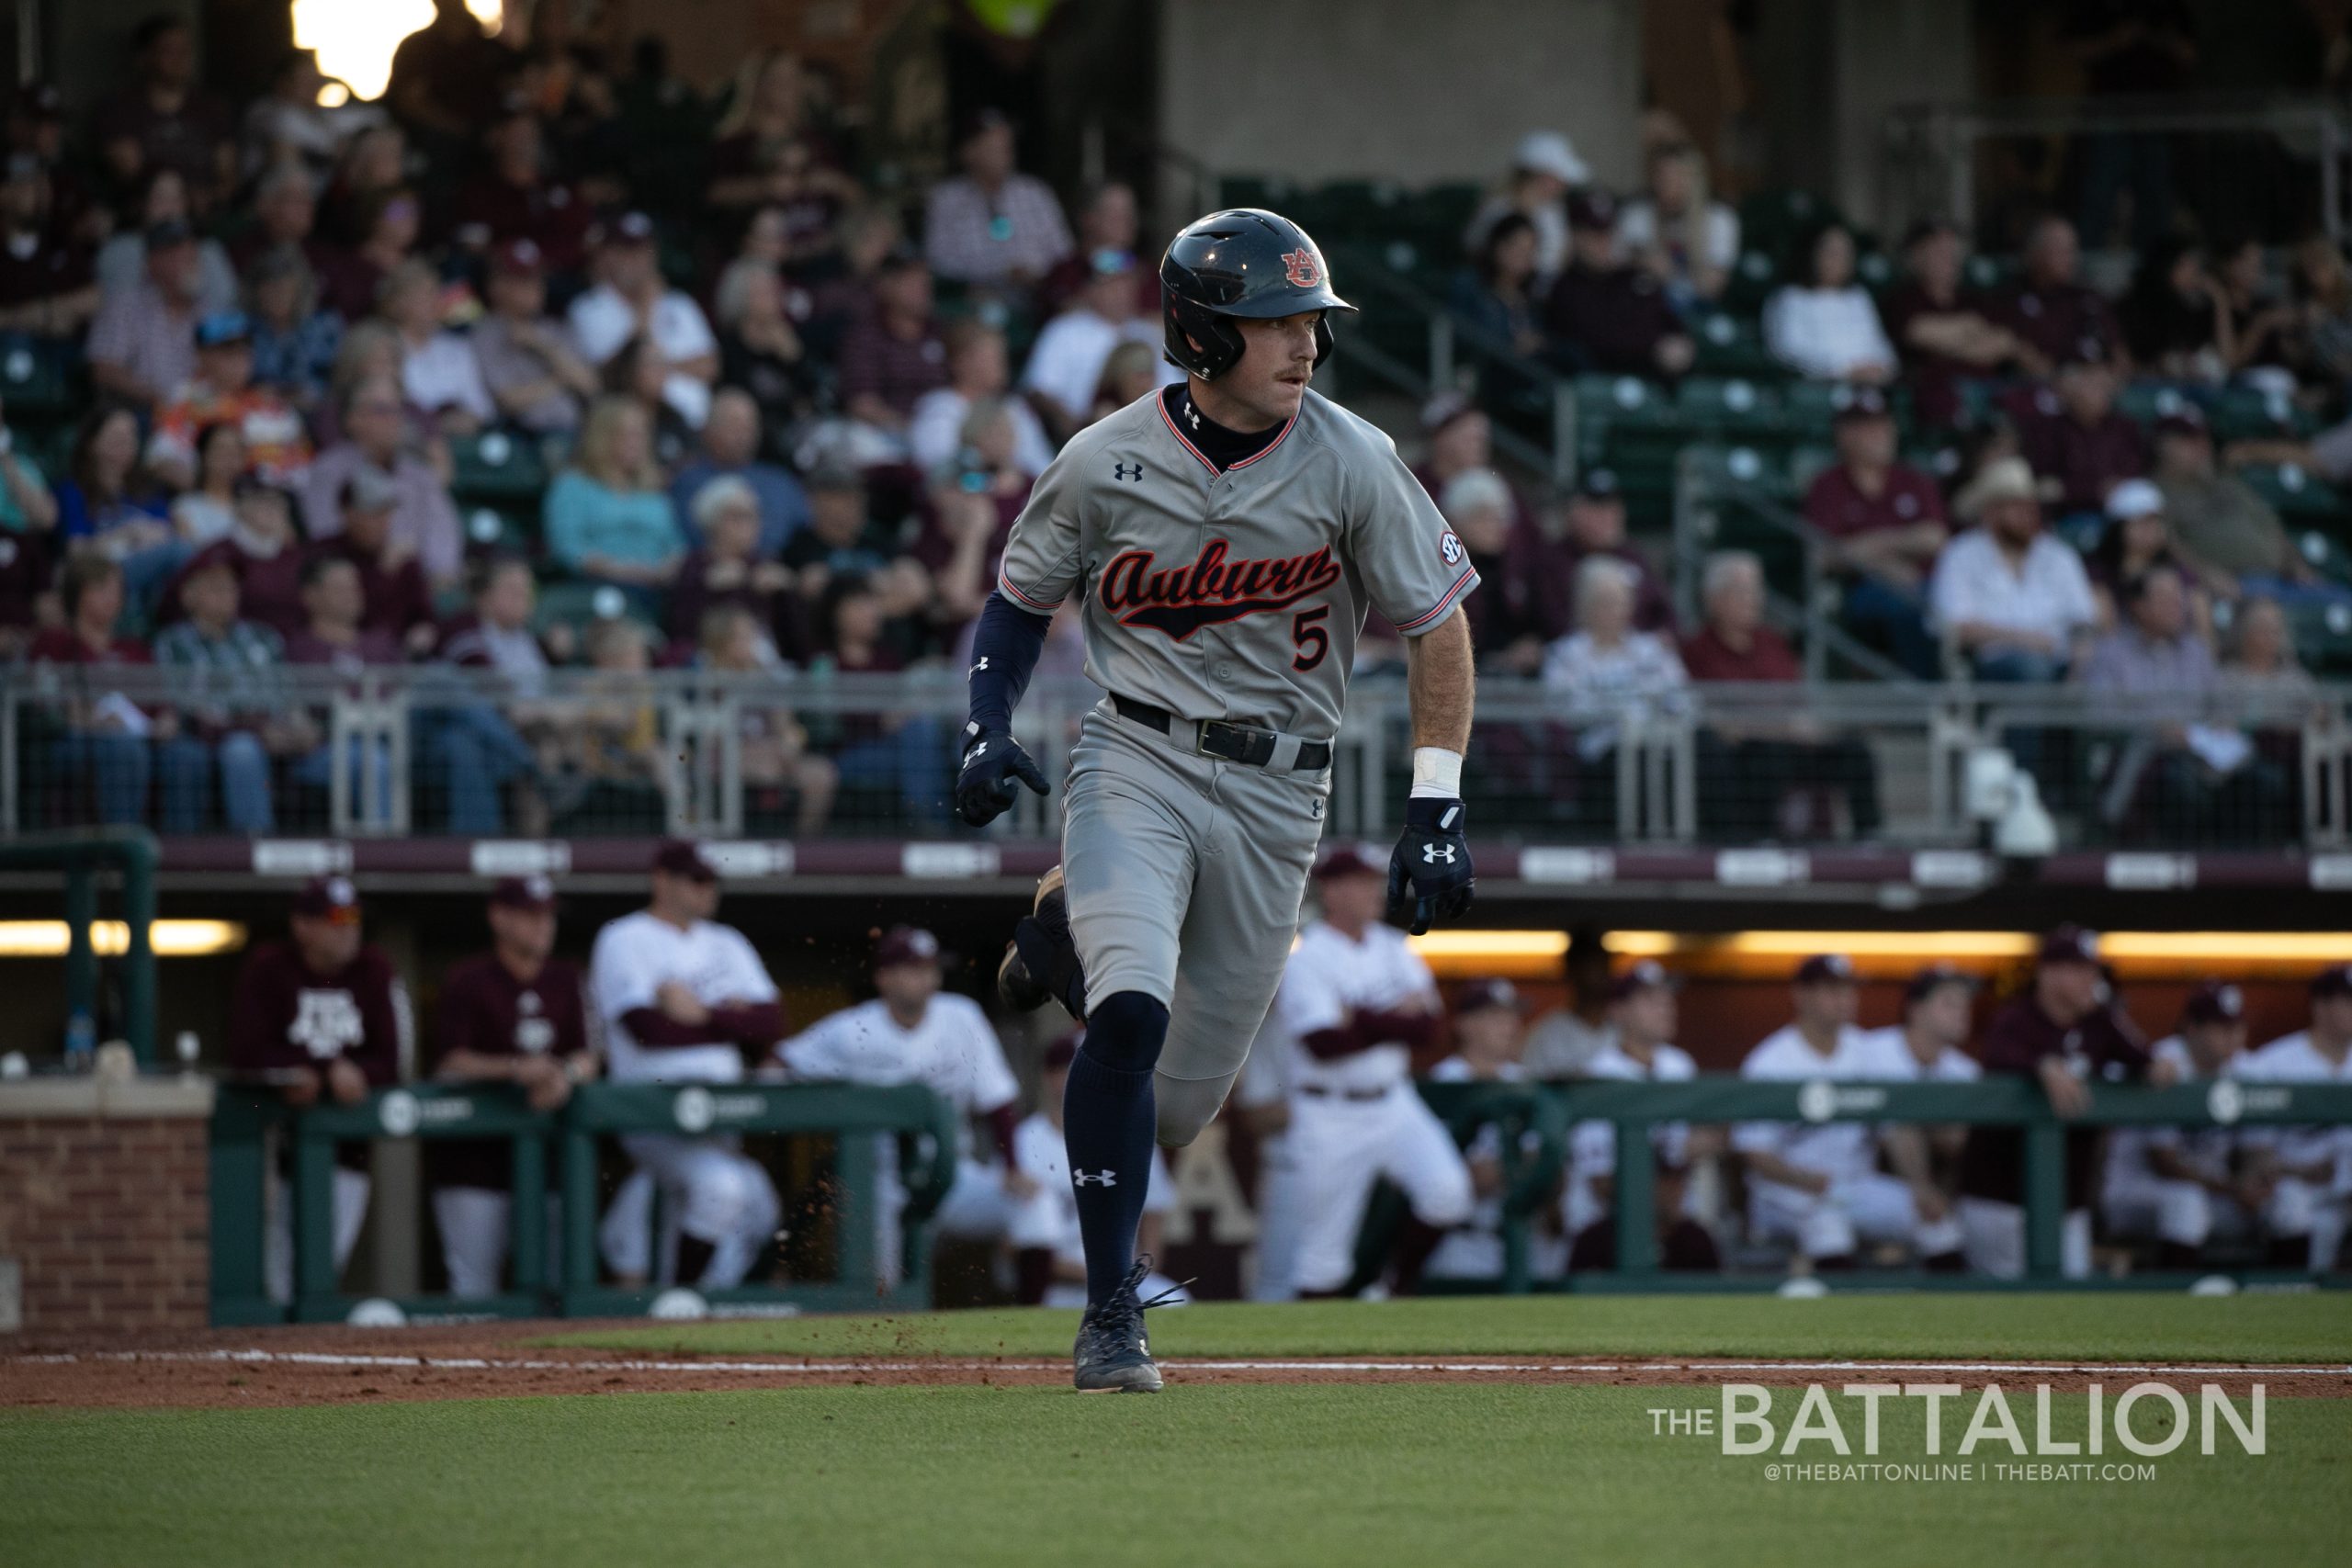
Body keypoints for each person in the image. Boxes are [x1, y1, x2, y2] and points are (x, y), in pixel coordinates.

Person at [965, 209, 1479, 1391]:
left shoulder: (1352, 456)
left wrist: (1434, 801)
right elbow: (1017, 600)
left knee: (1177, 1113)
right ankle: (1109, 1316)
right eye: (1274, 324)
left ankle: (1058, 934)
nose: (1303, 345)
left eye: (1311, 322)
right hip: (1135, 755)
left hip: (1279, 793)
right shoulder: (1102, 456)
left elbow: (1436, 625)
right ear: (1200, 335)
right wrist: (985, 727)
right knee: (1128, 1018)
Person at [1268, 848, 1475, 1300]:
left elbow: (1431, 1030)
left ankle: (1392, 1289)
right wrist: (1391, 1017)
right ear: (1333, 890)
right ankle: (1308, 1359)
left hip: (1394, 1101)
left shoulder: (1393, 948)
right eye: (1361, 881)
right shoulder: (1309, 957)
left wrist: (1358, 1016)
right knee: (1323, 1259)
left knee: (1448, 1192)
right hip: (1329, 1111)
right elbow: (1324, 1044)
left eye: (1375, 880)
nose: (1374, 891)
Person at [774, 926, 1031, 1285]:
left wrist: (1013, 1166)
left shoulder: (961, 1016)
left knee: (1036, 1208)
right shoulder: (854, 1029)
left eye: (930, 968)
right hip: (882, 1180)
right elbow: (781, 1063)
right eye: (912, 969)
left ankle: (1033, 1315)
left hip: (952, 1174)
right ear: (884, 978)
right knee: (881, 1283)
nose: (925, 978)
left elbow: (996, 1098)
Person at [588, 841, 786, 1291]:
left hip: (723, 1116)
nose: (707, 891)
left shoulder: (727, 941)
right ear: (661, 880)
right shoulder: (623, 937)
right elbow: (646, 1029)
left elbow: (772, 1021)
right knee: (721, 1189)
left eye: (711, 881)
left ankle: (709, 1310)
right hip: (654, 1111)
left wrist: (704, 1014)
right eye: (696, 880)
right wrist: (733, 1021)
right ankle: (679, 1300)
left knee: (755, 1200)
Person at [225, 876, 406, 1303]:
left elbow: (391, 1062)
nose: (348, 929)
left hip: (347, 1150)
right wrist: (310, 1071)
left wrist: (349, 1073)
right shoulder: (269, 966)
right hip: (269, 1148)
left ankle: (302, 1360)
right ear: (302, 926)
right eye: (334, 920)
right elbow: (244, 1056)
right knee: (275, 1274)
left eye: (353, 919)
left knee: (323, 1269)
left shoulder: (374, 968)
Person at [1733, 954, 1967, 1270]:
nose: (1844, 999)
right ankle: (1836, 1319)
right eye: (1832, 990)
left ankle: (1946, 1315)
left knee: (1937, 1222)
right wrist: (1802, 1179)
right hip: (1787, 1190)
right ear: (1801, 996)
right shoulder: (1769, 1061)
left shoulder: (1866, 1052)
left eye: (1848, 990)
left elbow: (1897, 1130)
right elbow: (1754, 1152)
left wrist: (1921, 1187)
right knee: (1828, 1227)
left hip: (1855, 1184)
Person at [1957, 927, 2164, 1279]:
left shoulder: (2101, 1022)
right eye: (2080, 970)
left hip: (2068, 1202)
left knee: (2073, 1305)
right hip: (2001, 1200)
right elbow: (1997, 1055)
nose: (2090, 980)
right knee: (2008, 1311)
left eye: (2093, 970)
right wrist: (2042, 1065)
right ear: (2048, 973)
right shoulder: (2014, 1019)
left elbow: (2146, 1062)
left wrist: (2116, 1016)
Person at [426, 876, 597, 1299]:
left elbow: (589, 1057)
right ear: (498, 917)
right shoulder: (469, 978)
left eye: (547, 916)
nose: (543, 925)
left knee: (556, 1285)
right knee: (474, 1287)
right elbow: (448, 1060)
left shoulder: (566, 978)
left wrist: (564, 1077)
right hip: (474, 1161)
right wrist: (516, 1069)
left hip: (549, 1159)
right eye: (530, 915)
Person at [1681, 550, 1882, 840]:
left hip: (1791, 742)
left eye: (1757, 590)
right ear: (1713, 599)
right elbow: (1712, 719)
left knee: (1854, 751)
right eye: (1742, 590)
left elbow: (1798, 703)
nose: (1754, 599)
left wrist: (1804, 727)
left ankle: (1869, 840)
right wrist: (1770, 726)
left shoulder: (1773, 642)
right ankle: (1760, 841)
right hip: (1743, 753)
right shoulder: (1695, 650)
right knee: (1766, 754)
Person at [2080, 564, 2284, 840]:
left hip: (2205, 754)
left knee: (2264, 780)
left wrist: (2224, 723)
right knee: (2179, 783)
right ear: (2139, 606)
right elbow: (2099, 716)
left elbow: (2222, 703)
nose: (2178, 606)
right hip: (2146, 756)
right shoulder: (2111, 654)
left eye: (2180, 598)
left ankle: (2246, 872)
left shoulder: (2196, 652)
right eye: (2166, 599)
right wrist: (2156, 728)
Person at [1006, 1032, 1189, 1308]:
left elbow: (1155, 1216)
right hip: (1056, 1286)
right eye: (1069, 1069)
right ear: (1049, 1075)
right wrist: (1092, 1275)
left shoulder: (1130, 1135)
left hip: (1123, 1281)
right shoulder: (1024, 1139)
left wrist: (1134, 1274)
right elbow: (1010, 1244)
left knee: (1176, 1301)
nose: (1081, 1078)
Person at [1563, 960, 1720, 1272]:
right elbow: (1602, 1182)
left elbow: (1714, 1136)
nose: (1666, 1008)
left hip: (1675, 1223)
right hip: (1608, 1222)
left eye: (1667, 999)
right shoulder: (1598, 1074)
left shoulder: (1680, 1066)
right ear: (1617, 1011)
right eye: (1650, 1000)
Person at [2100, 981, 2258, 1269]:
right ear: (2193, 1028)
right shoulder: (2163, 1062)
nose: (2233, 1037)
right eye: (2221, 1027)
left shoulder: (2247, 1068)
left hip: (2216, 1190)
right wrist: (2233, 1188)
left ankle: (2290, 1297)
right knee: (2187, 1203)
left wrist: (2257, 1181)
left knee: (2288, 1205)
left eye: (2238, 1027)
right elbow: (2163, 1162)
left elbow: (2257, 1148)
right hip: (2140, 1191)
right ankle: (2178, 1298)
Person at [1422, 978, 1566, 1283]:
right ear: (1465, 1024)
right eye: (1496, 1016)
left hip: (1530, 1242)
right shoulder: (1442, 1083)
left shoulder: (1526, 1083)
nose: (1510, 1026)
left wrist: (1505, 1170)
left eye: (1513, 1015)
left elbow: (1555, 1171)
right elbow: (1462, 1179)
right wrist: (1523, 1167)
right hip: (1460, 1243)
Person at [152, 553, 301, 834]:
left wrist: (293, 726)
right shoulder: (173, 642)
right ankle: (240, 852)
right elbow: (176, 704)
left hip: (271, 736)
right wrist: (248, 727)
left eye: (231, 587)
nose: (227, 595)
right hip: (204, 736)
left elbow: (286, 697)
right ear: (188, 596)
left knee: (248, 747)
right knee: (234, 749)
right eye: (215, 587)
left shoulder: (263, 637)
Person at [1803, 388, 1948, 677]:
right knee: (1909, 607)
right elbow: (1822, 556)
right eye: (1867, 427)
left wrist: (1870, 545)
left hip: (1925, 584)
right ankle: (1926, 701)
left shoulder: (1912, 479)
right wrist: (1889, 563)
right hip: (1861, 592)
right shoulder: (1828, 485)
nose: (1880, 434)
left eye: (1883, 424)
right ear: (1844, 434)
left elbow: (1935, 537)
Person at [1928, 456, 2098, 682]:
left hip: (2061, 661)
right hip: (1994, 665)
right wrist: (2024, 640)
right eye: (2017, 506)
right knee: (2030, 668)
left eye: (2031, 505)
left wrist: (2080, 658)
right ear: (1990, 512)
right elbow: (1955, 627)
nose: (2028, 514)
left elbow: (2082, 618)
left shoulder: (2058, 555)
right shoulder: (1961, 554)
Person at [25, 553, 160, 825]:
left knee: (184, 755)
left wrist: (164, 723)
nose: (113, 597)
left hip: (139, 738)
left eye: (117, 589)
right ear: (76, 594)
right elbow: (42, 704)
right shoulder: (53, 641)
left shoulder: (135, 648)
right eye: (101, 588)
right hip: (72, 741)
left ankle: (179, 857)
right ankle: (122, 847)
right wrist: (86, 719)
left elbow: (162, 707)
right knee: (124, 750)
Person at [1542, 557, 1690, 802]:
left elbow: (1680, 695)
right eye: (1604, 602)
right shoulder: (1565, 655)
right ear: (1585, 606)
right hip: (1601, 751)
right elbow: (1563, 707)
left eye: (1620, 601)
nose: (1613, 610)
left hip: (1660, 744)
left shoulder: (1652, 649)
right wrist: (1618, 714)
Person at [2239, 967, 2352, 1273]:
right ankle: (2287, 1296)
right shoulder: (2273, 1063)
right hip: (2291, 1186)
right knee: (2292, 1206)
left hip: (2344, 1192)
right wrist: (2298, 1170)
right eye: (2348, 1000)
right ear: (2320, 1006)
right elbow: (2252, 1155)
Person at [303, 374, 464, 587]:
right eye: (382, 411)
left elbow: (444, 546)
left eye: (398, 411)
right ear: (353, 419)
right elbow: (324, 541)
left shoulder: (420, 476)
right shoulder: (328, 471)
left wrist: (425, 573)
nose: (395, 420)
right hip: (354, 588)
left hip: (417, 589)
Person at [1879, 219, 2041, 429]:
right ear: (1916, 256)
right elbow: (1917, 333)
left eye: (1952, 252)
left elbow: (2004, 342)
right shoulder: (1902, 299)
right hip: (1936, 402)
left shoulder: (1975, 298)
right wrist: (1970, 327)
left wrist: (1945, 346)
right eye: (1938, 251)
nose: (1949, 259)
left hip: (1989, 394)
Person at [567, 212, 717, 430]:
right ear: (608, 255)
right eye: (628, 251)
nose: (637, 260)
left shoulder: (678, 303)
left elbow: (709, 366)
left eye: (644, 250)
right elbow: (611, 376)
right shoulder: (589, 308)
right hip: (631, 428)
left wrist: (655, 367)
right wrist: (645, 314)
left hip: (694, 423)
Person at [147, 312, 312, 490]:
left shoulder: (271, 404)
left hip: (265, 499)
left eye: (245, 349)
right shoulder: (183, 398)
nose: (239, 359)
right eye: (228, 350)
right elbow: (161, 460)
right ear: (203, 356)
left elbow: (302, 466)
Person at [921, 108, 1073, 298]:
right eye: (993, 146)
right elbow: (938, 262)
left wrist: (1035, 274)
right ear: (968, 152)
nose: (1005, 152)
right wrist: (999, 273)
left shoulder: (1036, 193)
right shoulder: (946, 199)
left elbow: (1064, 255)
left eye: (1007, 145)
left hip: (1037, 296)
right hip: (975, 300)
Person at [544, 395, 684, 601]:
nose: (637, 443)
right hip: (597, 590)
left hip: (658, 591)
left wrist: (669, 568)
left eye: (641, 435)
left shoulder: (653, 491)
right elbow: (567, 546)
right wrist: (618, 570)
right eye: (628, 435)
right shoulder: (572, 485)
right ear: (602, 437)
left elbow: (676, 545)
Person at [1545, 192, 1693, 378]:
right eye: (1594, 235)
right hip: (1602, 383)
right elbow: (1597, 341)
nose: (1603, 243)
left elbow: (1671, 325)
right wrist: (1653, 346)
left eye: (1608, 233)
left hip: (1654, 382)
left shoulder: (1634, 277)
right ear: (1576, 237)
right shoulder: (1565, 288)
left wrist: (1678, 346)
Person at [94, 16, 234, 210]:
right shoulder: (119, 109)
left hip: (207, 216)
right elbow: (129, 173)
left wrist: (211, 196)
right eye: (169, 51)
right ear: (144, 57)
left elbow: (227, 173)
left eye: (185, 51)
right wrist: (180, 198)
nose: (180, 59)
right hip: (146, 219)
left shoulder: (212, 107)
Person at [1021, 249, 1165, 439]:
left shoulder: (1150, 332)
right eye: (1112, 285)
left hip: (1152, 433)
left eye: (1126, 283)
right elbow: (1039, 390)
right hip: (1089, 434)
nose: (1121, 292)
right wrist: (1073, 429)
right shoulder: (1065, 329)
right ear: (1089, 290)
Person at [52, 403, 178, 610]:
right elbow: (77, 552)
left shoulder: (149, 490)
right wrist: (128, 535)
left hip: (149, 570)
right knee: (179, 553)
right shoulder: (72, 490)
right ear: (92, 441)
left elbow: (164, 534)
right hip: (100, 572)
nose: (125, 441)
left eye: (131, 434)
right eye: (116, 434)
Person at [469, 238, 596, 436]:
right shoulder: (486, 334)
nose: (535, 286)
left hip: (578, 433)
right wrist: (559, 380)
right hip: (527, 440)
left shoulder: (555, 326)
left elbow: (590, 386)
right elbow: (509, 402)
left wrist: (543, 346)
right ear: (496, 285)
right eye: (523, 278)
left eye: (537, 277)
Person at [667, 389, 810, 559]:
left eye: (749, 426)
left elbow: (806, 532)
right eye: (733, 424)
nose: (743, 434)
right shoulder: (688, 480)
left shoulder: (781, 481)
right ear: (708, 429)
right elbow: (687, 539)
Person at [2013, 341, 2144, 521]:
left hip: (2124, 518)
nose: (2101, 390)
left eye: (2104, 382)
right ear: (2068, 387)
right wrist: (2094, 489)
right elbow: (2044, 488)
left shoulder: (2124, 427)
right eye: (2091, 382)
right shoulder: (2047, 429)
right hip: (2067, 518)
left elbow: (2137, 475)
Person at [311, 466, 436, 652]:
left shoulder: (403, 558)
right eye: (373, 513)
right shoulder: (324, 553)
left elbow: (425, 616)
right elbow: (353, 618)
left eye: (386, 512)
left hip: (397, 659)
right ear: (348, 513)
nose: (382, 521)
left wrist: (424, 632)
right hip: (336, 654)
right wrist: (383, 573)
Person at [910, 319, 1057, 478]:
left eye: (1002, 356)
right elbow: (937, 470)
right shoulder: (939, 407)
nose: (1002, 364)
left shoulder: (1014, 407)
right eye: (992, 357)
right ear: (961, 362)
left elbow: (1044, 469)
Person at [836, 248, 949, 453]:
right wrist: (911, 430)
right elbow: (862, 404)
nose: (922, 287)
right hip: (887, 436)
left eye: (924, 280)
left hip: (942, 432)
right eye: (911, 280)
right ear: (885, 285)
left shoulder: (939, 331)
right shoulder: (866, 335)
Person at [86, 220, 204, 414]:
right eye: (176, 254)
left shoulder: (208, 310)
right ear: (152, 262)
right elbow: (104, 370)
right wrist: (161, 399)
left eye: (191, 252)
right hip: (139, 413)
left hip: (198, 414)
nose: (188, 260)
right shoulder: (125, 305)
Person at [1763, 220, 1896, 384]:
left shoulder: (1859, 297)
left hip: (1869, 389)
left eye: (1846, 253)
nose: (1840, 260)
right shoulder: (1789, 298)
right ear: (1812, 254)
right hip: (1816, 393)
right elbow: (1789, 351)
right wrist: (1845, 370)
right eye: (1832, 252)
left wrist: (1881, 368)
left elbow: (1882, 348)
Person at [1614, 141, 1738, 312]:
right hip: (1641, 306)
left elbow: (1711, 287)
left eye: (1679, 175)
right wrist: (1641, 261)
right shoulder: (1636, 213)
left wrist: (1670, 276)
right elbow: (1611, 262)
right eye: (1662, 174)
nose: (1668, 182)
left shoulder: (1719, 218)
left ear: (1696, 179)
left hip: (1695, 310)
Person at [94, 167, 237, 315]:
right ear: (144, 204)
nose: (169, 208)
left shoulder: (209, 251)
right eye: (160, 198)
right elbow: (113, 305)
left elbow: (226, 308)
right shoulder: (121, 249)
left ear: (186, 206)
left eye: (176, 199)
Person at [1991, 215, 2122, 368]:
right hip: (2044, 387)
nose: (2069, 257)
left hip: (2103, 386)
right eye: (2059, 248)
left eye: (2072, 249)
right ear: (2033, 252)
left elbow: (2120, 358)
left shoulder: (2088, 299)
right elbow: (2017, 355)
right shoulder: (2010, 301)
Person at [1465, 130, 1587, 285]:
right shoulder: (1496, 209)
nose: (1563, 185)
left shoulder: (1553, 211)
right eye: (1557, 178)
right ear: (1538, 175)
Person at [0, 153, 97, 339]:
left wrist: (50, 311)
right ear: (4, 193)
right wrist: (30, 317)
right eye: (29, 185)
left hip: (62, 348)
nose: (41, 193)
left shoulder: (59, 237)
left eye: (44, 184)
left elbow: (93, 297)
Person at [243, 246, 341, 409]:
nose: (278, 296)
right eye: (270, 288)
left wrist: (306, 395)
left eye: (284, 289)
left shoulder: (325, 327)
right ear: (255, 291)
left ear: (300, 292)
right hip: (256, 411)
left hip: (314, 413)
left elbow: (334, 381)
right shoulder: (242, 329)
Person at [1447, 213, 1548, 361]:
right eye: (1516, 247)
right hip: (1486, 373)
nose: (1523, 256)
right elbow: (1459, 336)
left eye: (1529, 249)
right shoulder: (1468, 283)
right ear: (1497, 246)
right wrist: (1511, 346)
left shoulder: (1534, 293)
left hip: (1529, 374)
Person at [1522, 930, 1619, 1079]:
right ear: (1572, 971)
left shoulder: (1624, 1028)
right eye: (1590, 965)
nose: (1600, 974)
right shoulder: (1547, 1033)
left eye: (1603, 965)